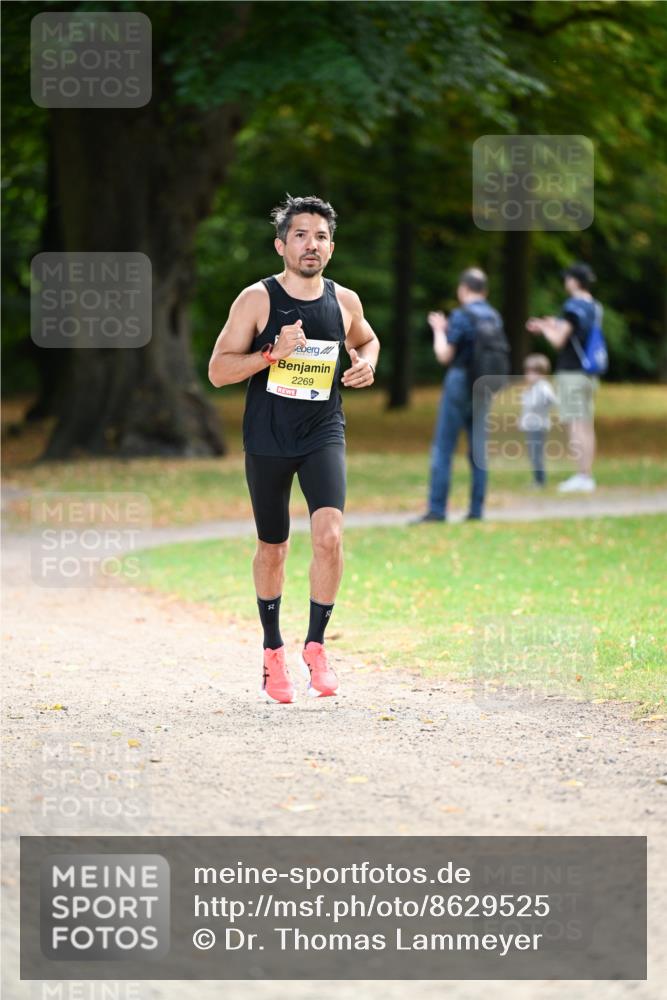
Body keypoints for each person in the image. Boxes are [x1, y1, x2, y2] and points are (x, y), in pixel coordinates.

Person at [208, 195, 380, 704]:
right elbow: (218, 371)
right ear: (282, 244)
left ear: (331, 247)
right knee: (274, 547)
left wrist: (369, 362)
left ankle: (316, 646)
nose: (312, 244)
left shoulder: (345, 300)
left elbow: (367, 340)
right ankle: (272, 653)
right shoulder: (256, 300)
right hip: (267, 438)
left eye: (321, 236)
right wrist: (271, 353)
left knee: (329, 535)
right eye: (301, 235)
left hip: (323, 430)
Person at [412, 267, 502, 523]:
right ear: (485, 290)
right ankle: (476, 509)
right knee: (478, 449)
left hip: (460, 380)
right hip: (484, 384)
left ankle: (437, 509)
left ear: (463, 289)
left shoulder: (463, 316)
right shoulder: (494, 316)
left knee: (443, 447)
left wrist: (439, 329)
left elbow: (444, 355)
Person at [526, 262, 600, 493]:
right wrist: (552, 323)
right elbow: (578, 330)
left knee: (575, 425)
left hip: (572, 372)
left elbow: (559, 341)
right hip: (590, 373)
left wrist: (547, 330)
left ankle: (582, 476)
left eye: (567, 278)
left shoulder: (572, 305)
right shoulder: (594, 306)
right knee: (586, 424)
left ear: (573, 281)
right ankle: (587, 475)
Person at [520, 353, 556, 487]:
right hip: (530, 426)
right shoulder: (532, 388)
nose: (529, 374)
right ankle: (538, 479)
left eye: (534, 371)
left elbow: (550, 399)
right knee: (532, 454)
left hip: (538, 426)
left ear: (542, 373)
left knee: (536, 454)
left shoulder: (543, 386)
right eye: (527, 371)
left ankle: (540, 480)